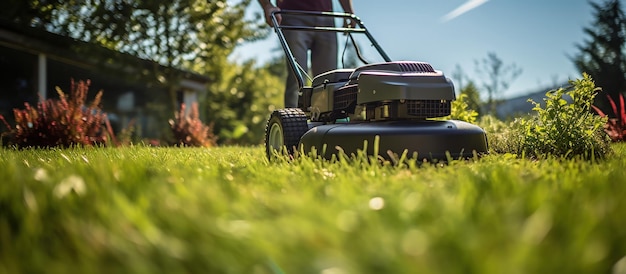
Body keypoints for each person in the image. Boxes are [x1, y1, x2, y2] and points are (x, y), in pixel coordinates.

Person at [258, 0, 355, 108]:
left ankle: (328, 121)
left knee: (329, 81)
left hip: (326, 17)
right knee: (297, 79)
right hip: (292, 15)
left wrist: (349, 11)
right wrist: (268, 5)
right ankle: (293, 121)